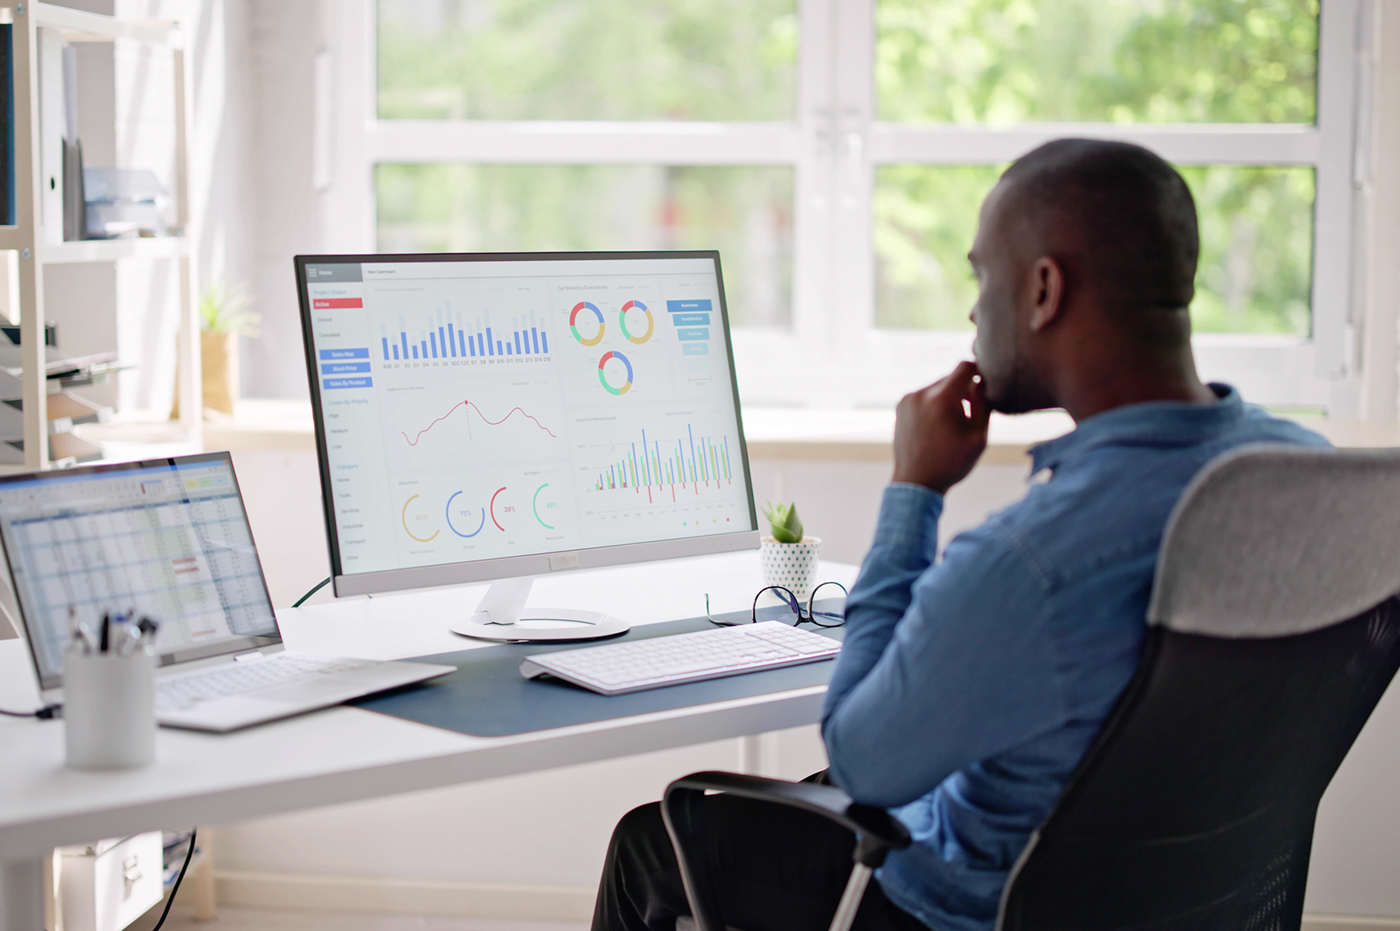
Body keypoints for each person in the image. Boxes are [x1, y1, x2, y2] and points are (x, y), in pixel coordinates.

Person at [591, 138, 1330, 931]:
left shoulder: (1034, 560)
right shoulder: (1306, 475)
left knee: (654, 840)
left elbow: (863, 762)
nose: (976, 310)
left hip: (966, 907)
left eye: (984, 275)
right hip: (1189, 896)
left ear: (1044, 288)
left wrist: (914, 489)